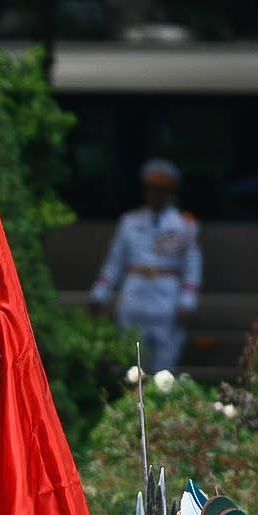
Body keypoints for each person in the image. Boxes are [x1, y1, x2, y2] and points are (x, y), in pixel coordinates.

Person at [90, 159, 203, 374]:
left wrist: (188, 302)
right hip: (134, 300)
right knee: (131, 368)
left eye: (163, 191)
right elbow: (114, 263)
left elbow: (192, 268)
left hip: (166, 304)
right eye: (152, 190)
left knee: (164, 369)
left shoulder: (185, 225)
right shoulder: (129, 222)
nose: (156, 195)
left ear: (172, 193)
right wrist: (99, 295)